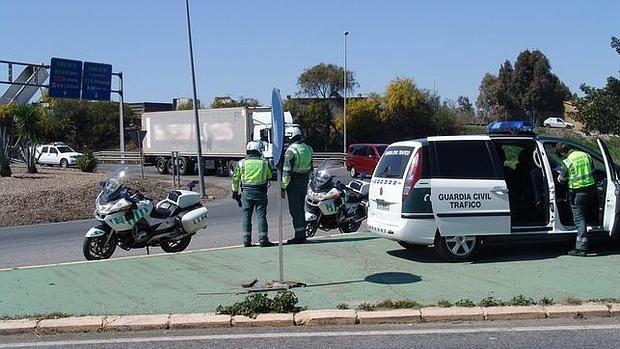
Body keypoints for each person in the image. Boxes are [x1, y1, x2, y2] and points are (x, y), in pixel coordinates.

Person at [554, 143, 597, 256]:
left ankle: (581, 248)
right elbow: (593, 171)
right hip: (591, 190)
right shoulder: (585, 155)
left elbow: (562, 179)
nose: (562, 158)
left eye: (561, 156)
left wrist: (558, 178)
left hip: (578, 192)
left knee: (579, 219)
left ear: (563, 152)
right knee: (587, 214)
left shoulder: (567, 162)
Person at [232, 141, 274, 247]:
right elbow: (269, 175)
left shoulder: (241, 163)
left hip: (246, 193)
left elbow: (235, 179)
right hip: (260, 192)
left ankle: (246, 240)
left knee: (246, 216)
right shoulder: (264, 162)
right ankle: (263, 239)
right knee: (261, 216)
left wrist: (235, 192)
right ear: (258, 150)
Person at [281, 126, 314, 244]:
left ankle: (299, 236)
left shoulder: (291, 151)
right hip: (304, 181)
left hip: (293, 183)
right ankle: (303, 234)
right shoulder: (309, 149)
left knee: (295, 210)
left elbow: (286, 171)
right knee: (301, 208)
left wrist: (283, 186)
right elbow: (311, 168)